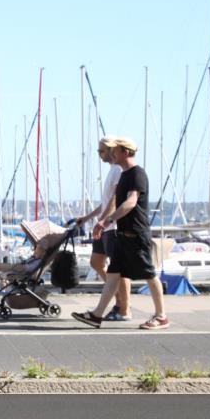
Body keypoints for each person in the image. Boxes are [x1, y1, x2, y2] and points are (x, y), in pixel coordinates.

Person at [72, 138, 168, 330]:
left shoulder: (137, 174)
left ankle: (161, 316)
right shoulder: (124, 175)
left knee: (149, 274)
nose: (111, 154)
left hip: (136, 234)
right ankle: (96, 315)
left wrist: (107, 220)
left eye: (114, 151)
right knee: (113, 275)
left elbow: (131, 202)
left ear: (125, 152)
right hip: (123, 236)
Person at [75, 136, 131, 321]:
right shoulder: (112, 171)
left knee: (119, 269)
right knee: (96, 262)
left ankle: (124, 309)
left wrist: (104, 221)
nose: (99, 155)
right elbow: (105, 202)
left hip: (112, 227)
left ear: (111, 150)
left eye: (101, 151)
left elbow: (114, 202)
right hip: (105, 226)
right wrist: (88, 218)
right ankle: (118, 300)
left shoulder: (118, 171)